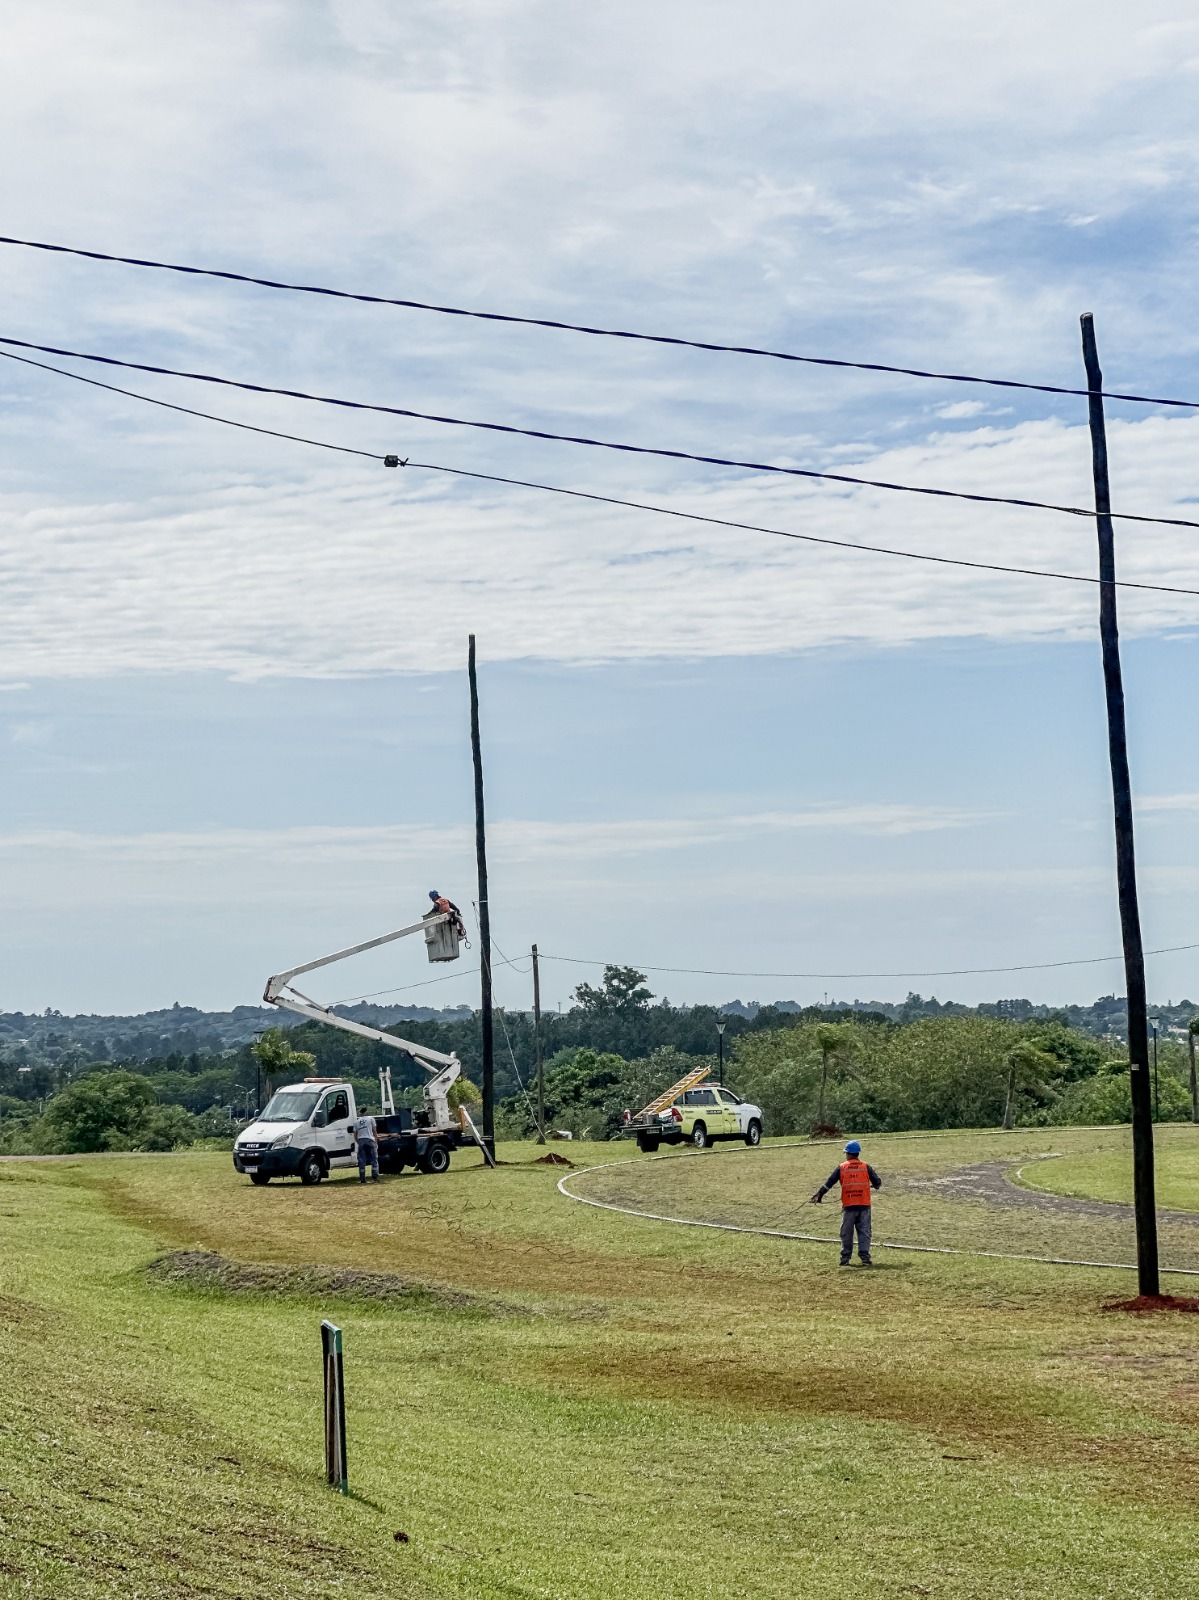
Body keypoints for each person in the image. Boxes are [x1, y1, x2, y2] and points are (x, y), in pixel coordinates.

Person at [810, 1140, 882, 1266]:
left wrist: (819, 1194)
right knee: (864, 1232)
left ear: (847, 1153)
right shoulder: (866, 1167)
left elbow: (829, 1183)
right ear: (858, 1153)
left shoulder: (842, 1167)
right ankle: (865, 1259)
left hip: (849, 1206)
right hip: (864, 1205)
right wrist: (873, 1185)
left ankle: (845, 1259)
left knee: (846, 1233)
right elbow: (878, 1183)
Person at [355, 1111, 380, 1184]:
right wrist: (375, 1141)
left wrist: (359, 1142)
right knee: (374, 1159)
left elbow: (355, 1135)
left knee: (362, 1160)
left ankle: (362, 1179)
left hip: (361, 1141)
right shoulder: (371, 1119)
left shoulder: (356, 1122)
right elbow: (374, 1131)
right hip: (370, 1140)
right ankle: (375, 1177)